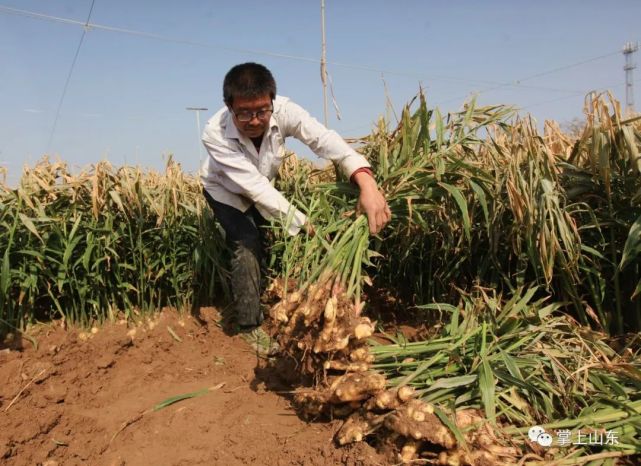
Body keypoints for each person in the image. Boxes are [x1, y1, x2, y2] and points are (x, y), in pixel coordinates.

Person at [200, 62, 391, 355]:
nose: (254, 121)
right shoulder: (215, 133)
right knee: (246, 241)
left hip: (262, 185)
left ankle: (254, 291)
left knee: (263, 237)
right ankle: (249, 325)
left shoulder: (285, 111)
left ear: (272, 102)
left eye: (262, 111)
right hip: (225, 190)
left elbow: (324, 140)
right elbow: (256, 189)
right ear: (229, 107)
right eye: (244, 113)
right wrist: (306, 226)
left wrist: (365, 180)